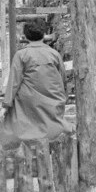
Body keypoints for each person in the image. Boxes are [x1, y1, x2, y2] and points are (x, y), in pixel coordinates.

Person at [0, 20, 67, 149]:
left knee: (18, 114)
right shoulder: (54, 54)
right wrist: (63, 97)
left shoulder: (21, 55)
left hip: (28, 104)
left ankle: (26, 148)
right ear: (44, 35)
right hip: (52, 102)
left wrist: (6, 105)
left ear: (25, 36)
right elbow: (62, 80)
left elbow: (13, 83)